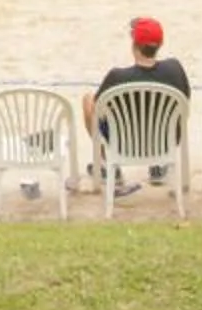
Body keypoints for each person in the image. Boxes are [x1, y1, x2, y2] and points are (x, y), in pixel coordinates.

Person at [80, 15, 191, 192]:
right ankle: (158, 164)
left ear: (134, 45)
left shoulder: (117, 77)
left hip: (123, 145)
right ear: (160, 45)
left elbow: (97, 111)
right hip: (165, 142)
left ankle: (109, 167)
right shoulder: (175, 68)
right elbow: (185, 106)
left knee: (88, 101)